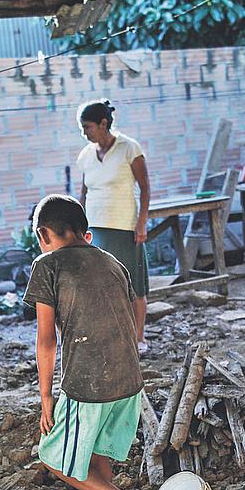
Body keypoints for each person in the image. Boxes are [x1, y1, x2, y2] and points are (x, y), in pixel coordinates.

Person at [25, 194, 160, 490]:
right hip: (129, 378)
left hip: (90, 383)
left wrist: (46, 397)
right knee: (98, 457)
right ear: (84, 232)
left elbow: (46, 341)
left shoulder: (48, 265)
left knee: (54, 458)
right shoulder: (113, 262)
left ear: (43, 234)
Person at [76, 100, 151, 353]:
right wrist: (80, 227)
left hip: (125, 227)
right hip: (96, 229)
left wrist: (141, 223)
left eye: (87, 127)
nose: (84, 132)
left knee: (134, 285)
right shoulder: (86, 155)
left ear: (103, 124)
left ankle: (139, 338)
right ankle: (113, 334)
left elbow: (145, 188)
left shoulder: (130, 148)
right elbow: (83, 194)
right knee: (103, 285)